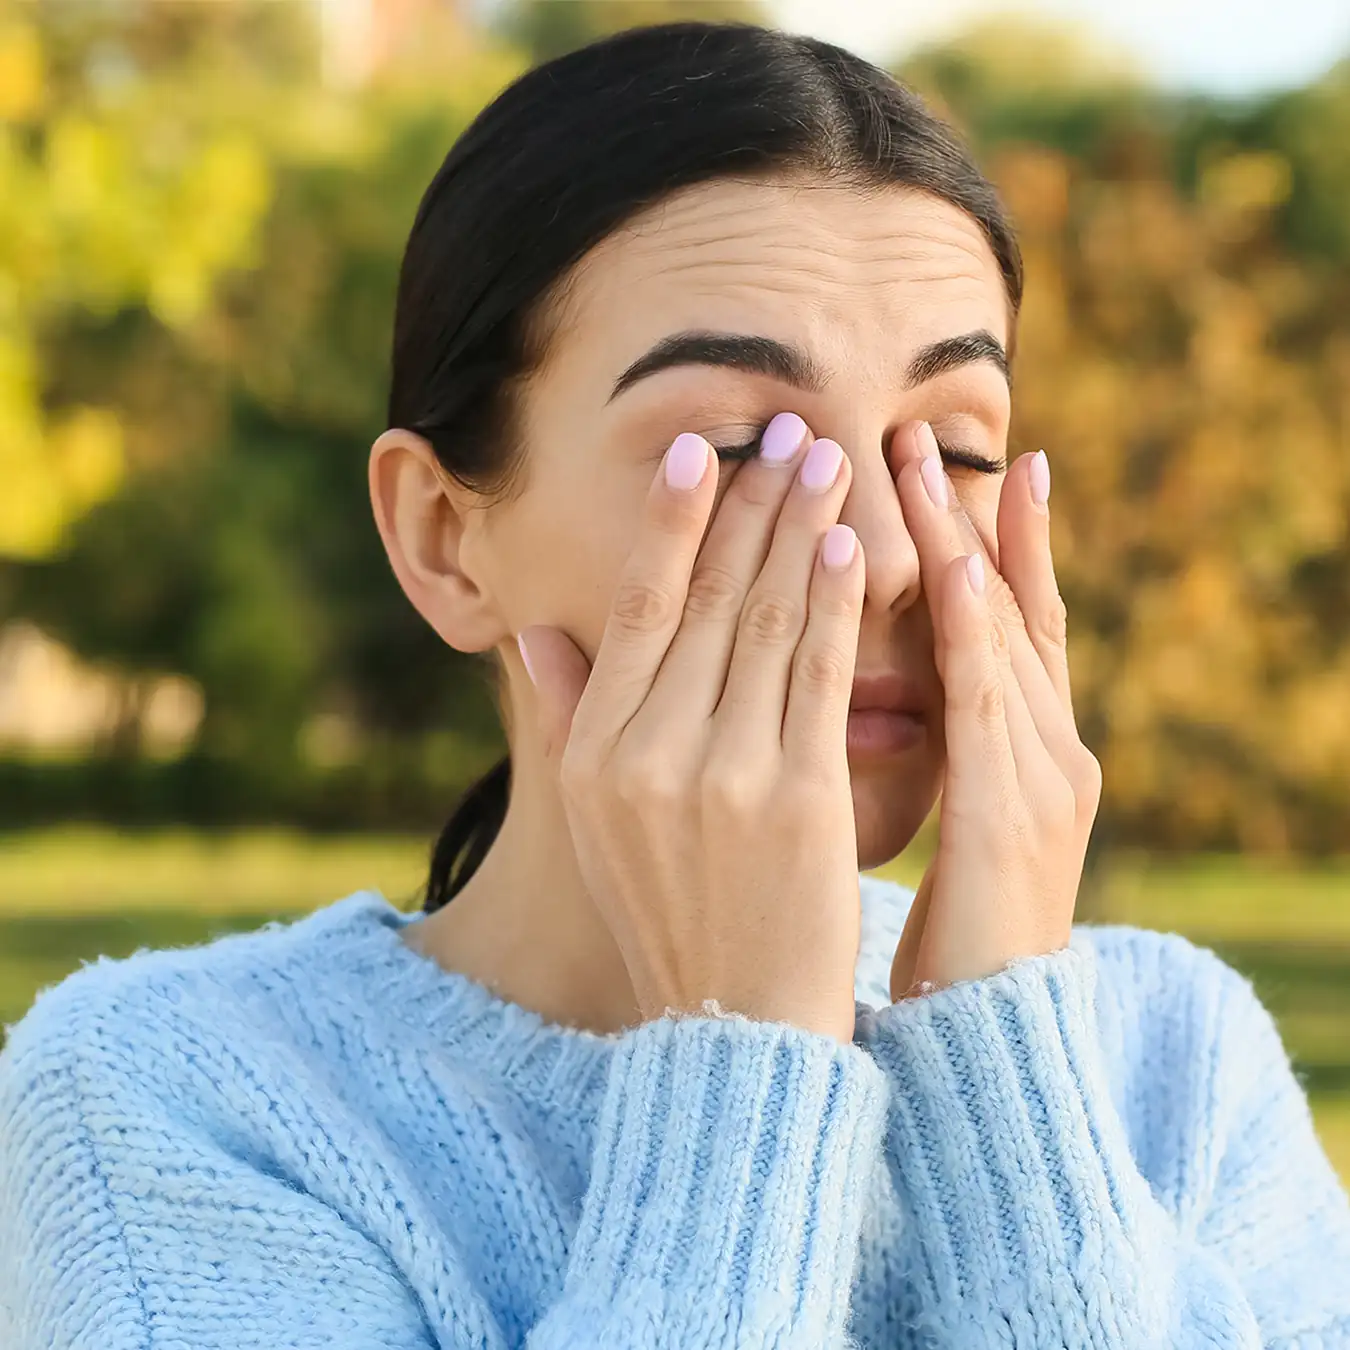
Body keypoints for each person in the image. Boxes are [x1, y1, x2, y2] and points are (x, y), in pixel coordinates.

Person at [2, 20, 1348, 1349]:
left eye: (952, 450)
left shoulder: (1170, 1065)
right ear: (440, 536)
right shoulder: (168, 1098)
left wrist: (1010, 1083)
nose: (882, 548)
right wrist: (738, 1068)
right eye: (742, 442)